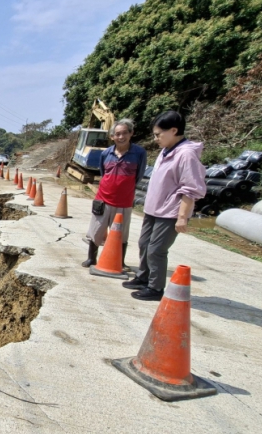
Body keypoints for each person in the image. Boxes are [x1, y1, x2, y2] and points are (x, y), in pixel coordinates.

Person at [123, 110, 206, 301]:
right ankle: (143, 277)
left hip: (169, 212)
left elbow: (191, 188)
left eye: (158, 134)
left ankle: (155, 288)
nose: (155, 139)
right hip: (154, 209)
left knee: (156, 250)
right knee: (144, 244)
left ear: (174, 130)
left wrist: (182, 217)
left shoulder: (186, 155)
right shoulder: (166, 150)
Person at [82, 119, 146, 268]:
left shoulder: (139, 153)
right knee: (96, 230)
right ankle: (92, 258)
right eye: (117, 134)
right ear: (112, 137)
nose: (121, 137)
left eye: (124, 133)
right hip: (103, 199)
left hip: (124, 201)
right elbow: (104, 173)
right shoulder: (106, 153)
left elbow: (139, 175)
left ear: (131, 134)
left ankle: (119, 261)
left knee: (121, 233)